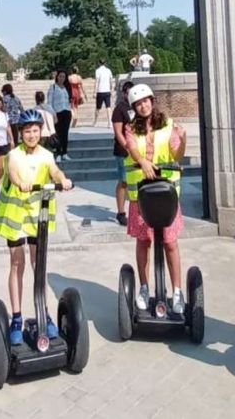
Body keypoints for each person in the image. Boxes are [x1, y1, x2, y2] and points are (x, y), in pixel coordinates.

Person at [0, 109, 73, 345]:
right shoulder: (13, 154)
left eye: (35, 130)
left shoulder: (46, 155)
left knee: (39, 265)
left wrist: (62, 180)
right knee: (18, 263)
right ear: (21, 132)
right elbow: (13, 171)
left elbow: (54, 170)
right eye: (27, 131)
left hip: (38, 214)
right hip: (16, 215)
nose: (31, 135)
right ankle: (16, 317)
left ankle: (42, 311)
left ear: (40, 132)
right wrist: (21, 182)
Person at [123, 84, 188, 314]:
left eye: (146, 101)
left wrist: (183, 139)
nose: (143, 106)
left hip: (166, 193)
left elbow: (177, 154)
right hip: (140, 195)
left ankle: (177, 292)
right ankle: (143, 287)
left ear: (152, 100)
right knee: (144, 241)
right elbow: (132, 148)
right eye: (138, 103)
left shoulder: (168, 124)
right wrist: (142, 162)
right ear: (134, 107)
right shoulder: (131, 128)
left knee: (170, 242)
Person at [111, 81, 136, 226]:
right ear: (124, 94)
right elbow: (118, 132)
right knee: (124, 181)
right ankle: (121, 212)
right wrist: (128, 148)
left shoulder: (138, 106)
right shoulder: (120, 109)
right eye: (128, 92)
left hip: (139, 149)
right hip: (124, 151)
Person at [47, 69, 73, 161]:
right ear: (57, 77)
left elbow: (69, 101)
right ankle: (58, 153)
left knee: (65, 133)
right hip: (57, 112)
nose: (62, 78)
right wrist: (53, 114)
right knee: (58, 133)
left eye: (63, 77)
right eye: (60, 76)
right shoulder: (53, 87)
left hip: (66, 111)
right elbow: (49, 102)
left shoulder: (67, 88)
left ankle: (64, 152)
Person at [93, 59, 114, 127]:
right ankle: (109, 123)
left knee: (98, 108)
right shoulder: (108, 70)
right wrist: (111, 89)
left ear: (99, 63)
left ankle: (95, 122)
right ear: (105, 63)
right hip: (107, 90)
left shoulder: (98, 71)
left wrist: (94, 92)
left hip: (100, 91)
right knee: (108, 107)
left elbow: (97, 81)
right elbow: (111, 80)